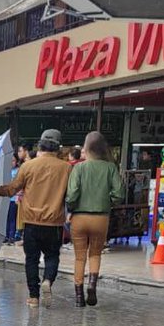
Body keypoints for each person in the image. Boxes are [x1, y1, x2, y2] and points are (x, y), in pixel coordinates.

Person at [0, 128, 71, 308]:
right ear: (58, 148)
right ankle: (47, 281)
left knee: (31, 259)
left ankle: (33, 297)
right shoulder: (67, 168)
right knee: (52, 256)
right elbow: (71, 195)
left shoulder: (28, 166)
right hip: (54, 223)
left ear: (40, 144)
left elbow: (12, 189)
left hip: (31, 222)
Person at [65, 131, 124, 308]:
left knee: (79, 257)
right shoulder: (110, 168)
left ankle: (78, 296)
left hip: (80, 218)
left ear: (87, 148)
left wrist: (71, 207)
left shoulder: (79, 168)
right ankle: (92, 285)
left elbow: (72, 194)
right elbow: (119, 194)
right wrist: (108, 202)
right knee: (95, 254)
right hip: (101, 218)